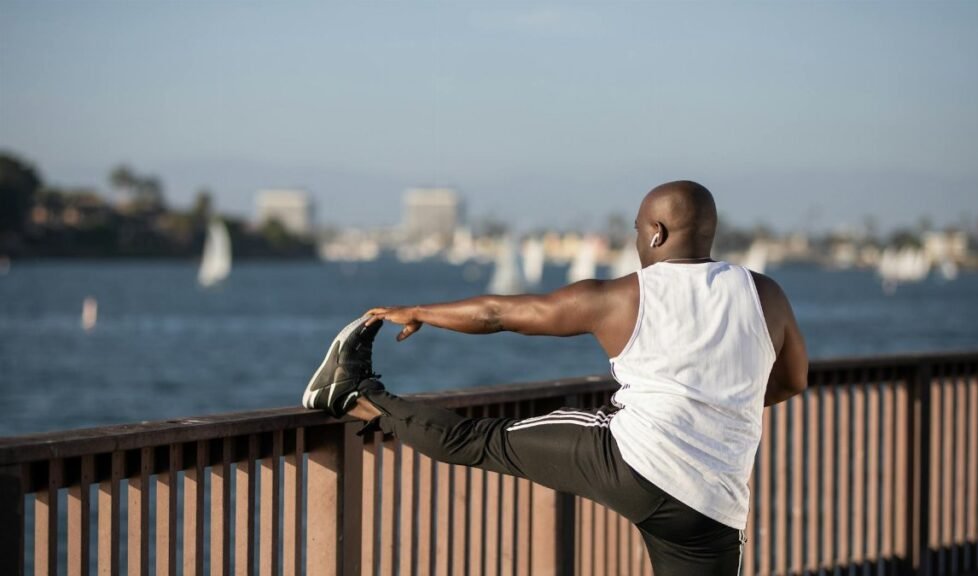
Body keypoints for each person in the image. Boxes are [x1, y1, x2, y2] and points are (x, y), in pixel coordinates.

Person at [302, 180, 808, 575]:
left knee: (479, 439)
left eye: (636, 230)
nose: (635, 242)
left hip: (631, 461)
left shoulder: (627, 296)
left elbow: (501, 313)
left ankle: (353, 392)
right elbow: (792, 382)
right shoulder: (765, 295)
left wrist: (417, 310)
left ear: (657, 232)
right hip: (713, 506)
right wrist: (718, 405)